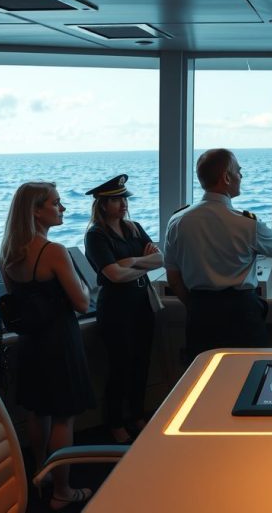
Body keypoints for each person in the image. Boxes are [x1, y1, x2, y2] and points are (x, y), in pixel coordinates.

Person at [0, 182, 95, 510]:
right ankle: (62, 491)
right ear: (36, 211)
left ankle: (41, 472)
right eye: (56, 203)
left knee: (38, 411)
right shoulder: (53, 251)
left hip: (30, 343)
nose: (62, 208)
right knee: (64, 417)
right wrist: (83, 284)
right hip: (59, 341)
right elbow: (82, 302)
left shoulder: (8, 254)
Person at [164, 148, 272, 359]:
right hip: (241, 316)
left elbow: (173, 278)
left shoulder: (177, 221)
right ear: (226, 178)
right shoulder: (247, 224)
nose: (241, 176)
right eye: (238, 171)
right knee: (248, 372)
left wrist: (196, 307)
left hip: (200, 315)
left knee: (204, 374)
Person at [83, 174, 163, 444]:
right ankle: (115, 422)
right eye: (117, 200)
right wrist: (142, 263)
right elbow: (114, 276)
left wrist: (131, 262)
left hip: (141, 305)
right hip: (116, 310)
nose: (123, 204)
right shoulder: (96, 235)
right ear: (103, 204)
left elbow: (160, 259)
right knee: (120, 367)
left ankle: (137, 415)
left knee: (142, 363)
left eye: (124, 199)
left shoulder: (134, 228)